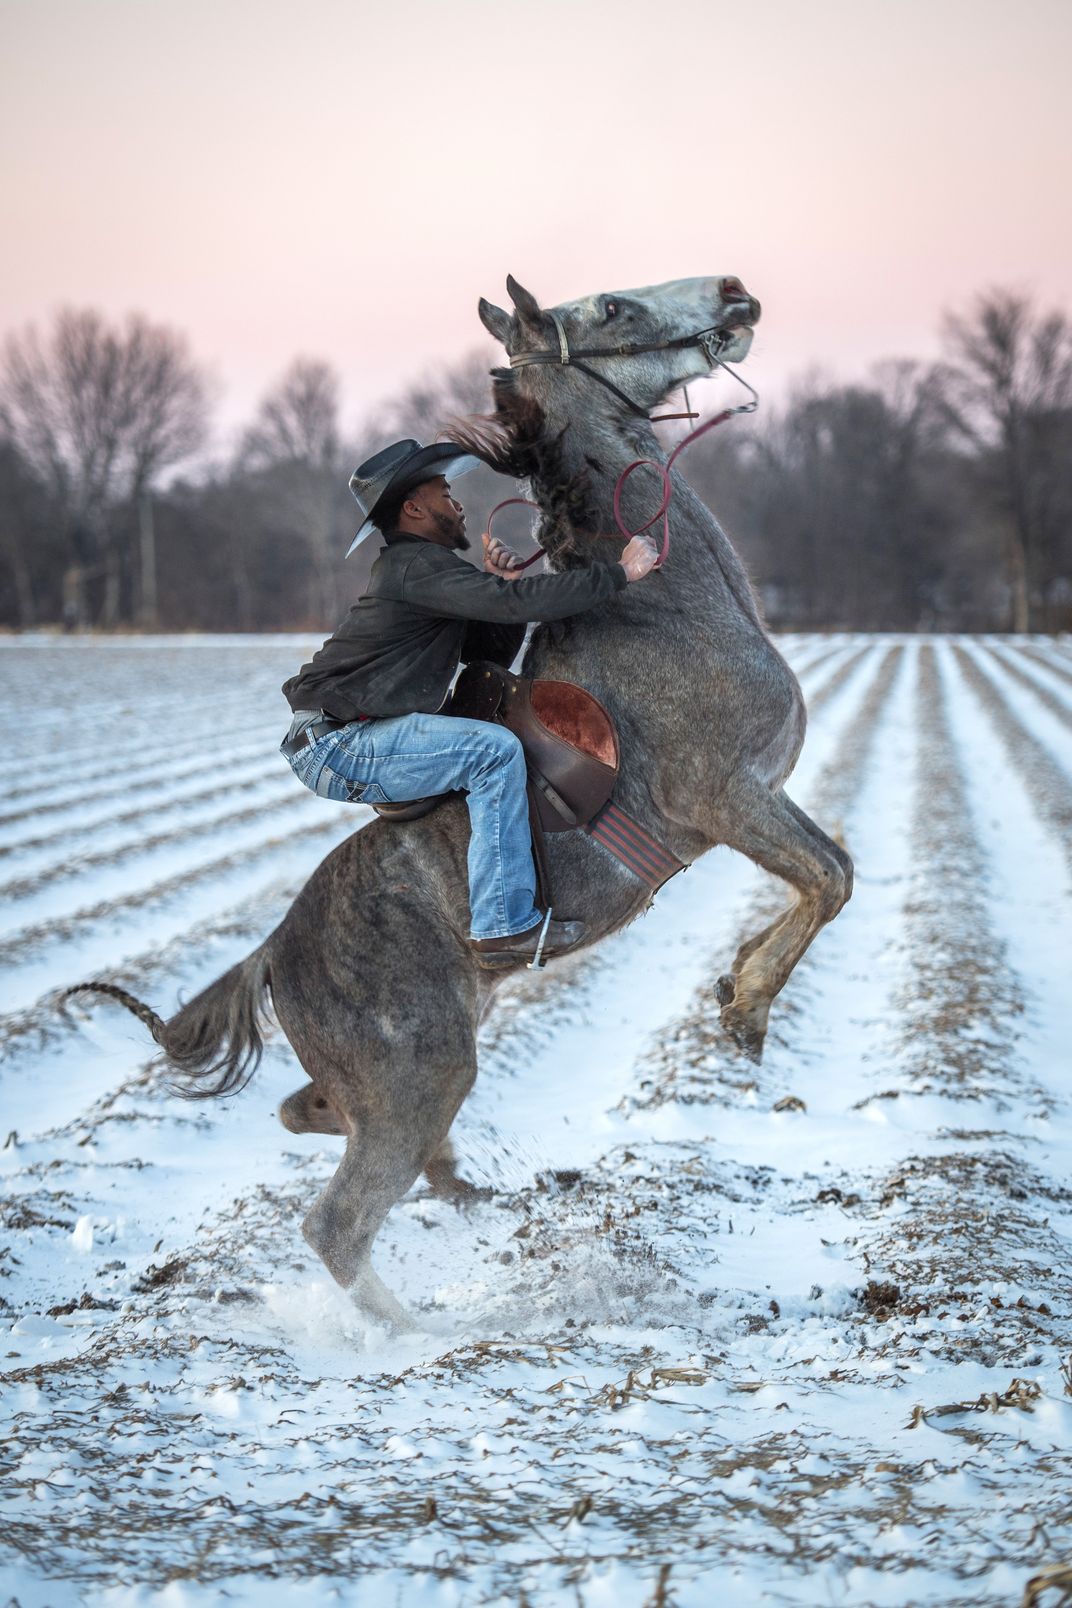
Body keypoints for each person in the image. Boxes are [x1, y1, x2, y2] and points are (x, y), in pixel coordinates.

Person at [281, 439, 657, 968]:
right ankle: (502, 927)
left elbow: (486, 650)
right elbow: (515, 605)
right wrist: (620, 575)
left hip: (344, 740)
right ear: (413, 508)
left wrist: (502, 586)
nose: (457, 505)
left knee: (488, 749)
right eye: (445, 493)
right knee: (494, 752)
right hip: (340, 745)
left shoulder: (426, 570)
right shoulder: (413, 567)